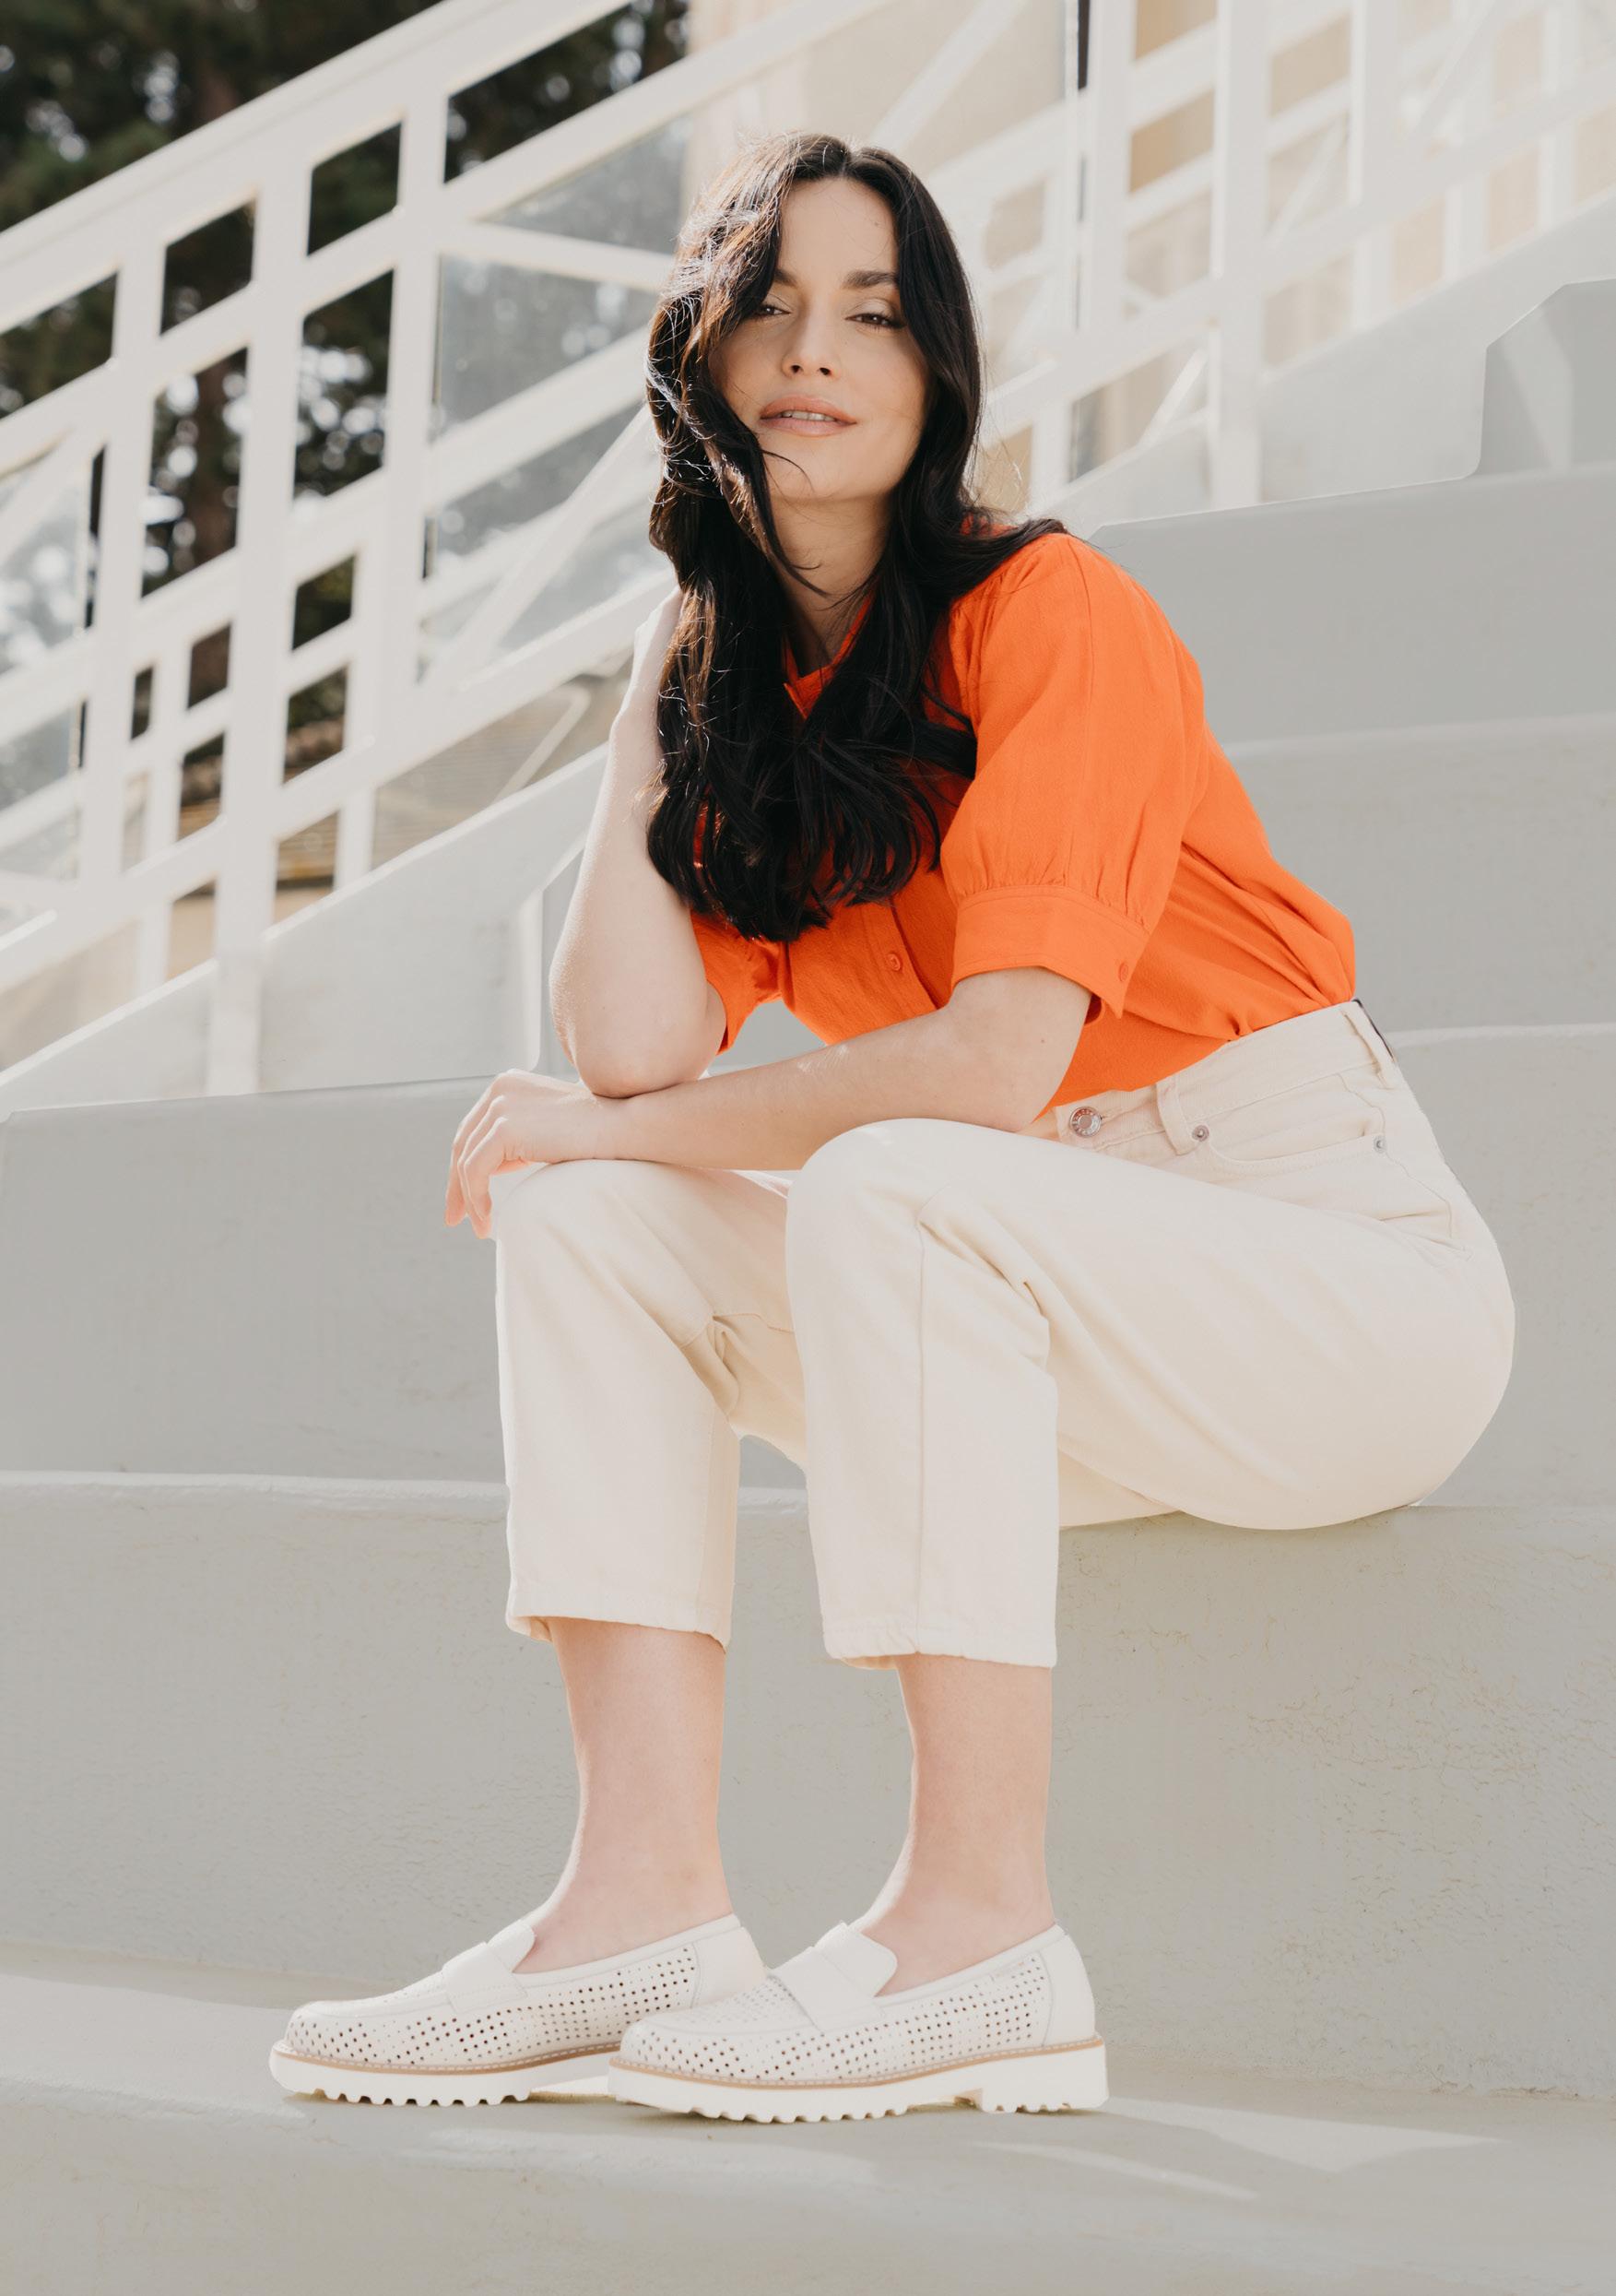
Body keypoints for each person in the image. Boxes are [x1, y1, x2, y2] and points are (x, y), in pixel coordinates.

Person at [270, 133, 1516, 2124]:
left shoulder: (1050, 608)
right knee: (587, 1212)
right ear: (701, 356)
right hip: (1022, 1314)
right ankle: (638, 1905)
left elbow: (995, 1064)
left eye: (872, 313)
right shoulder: (749, 693)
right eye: (768, 305)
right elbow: (625, 1048)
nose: (814, 352)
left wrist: (634, 1132)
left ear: (936, 370)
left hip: (1325, 1282)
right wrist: (657, 687)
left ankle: (978, 1931)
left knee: (882, 1173)